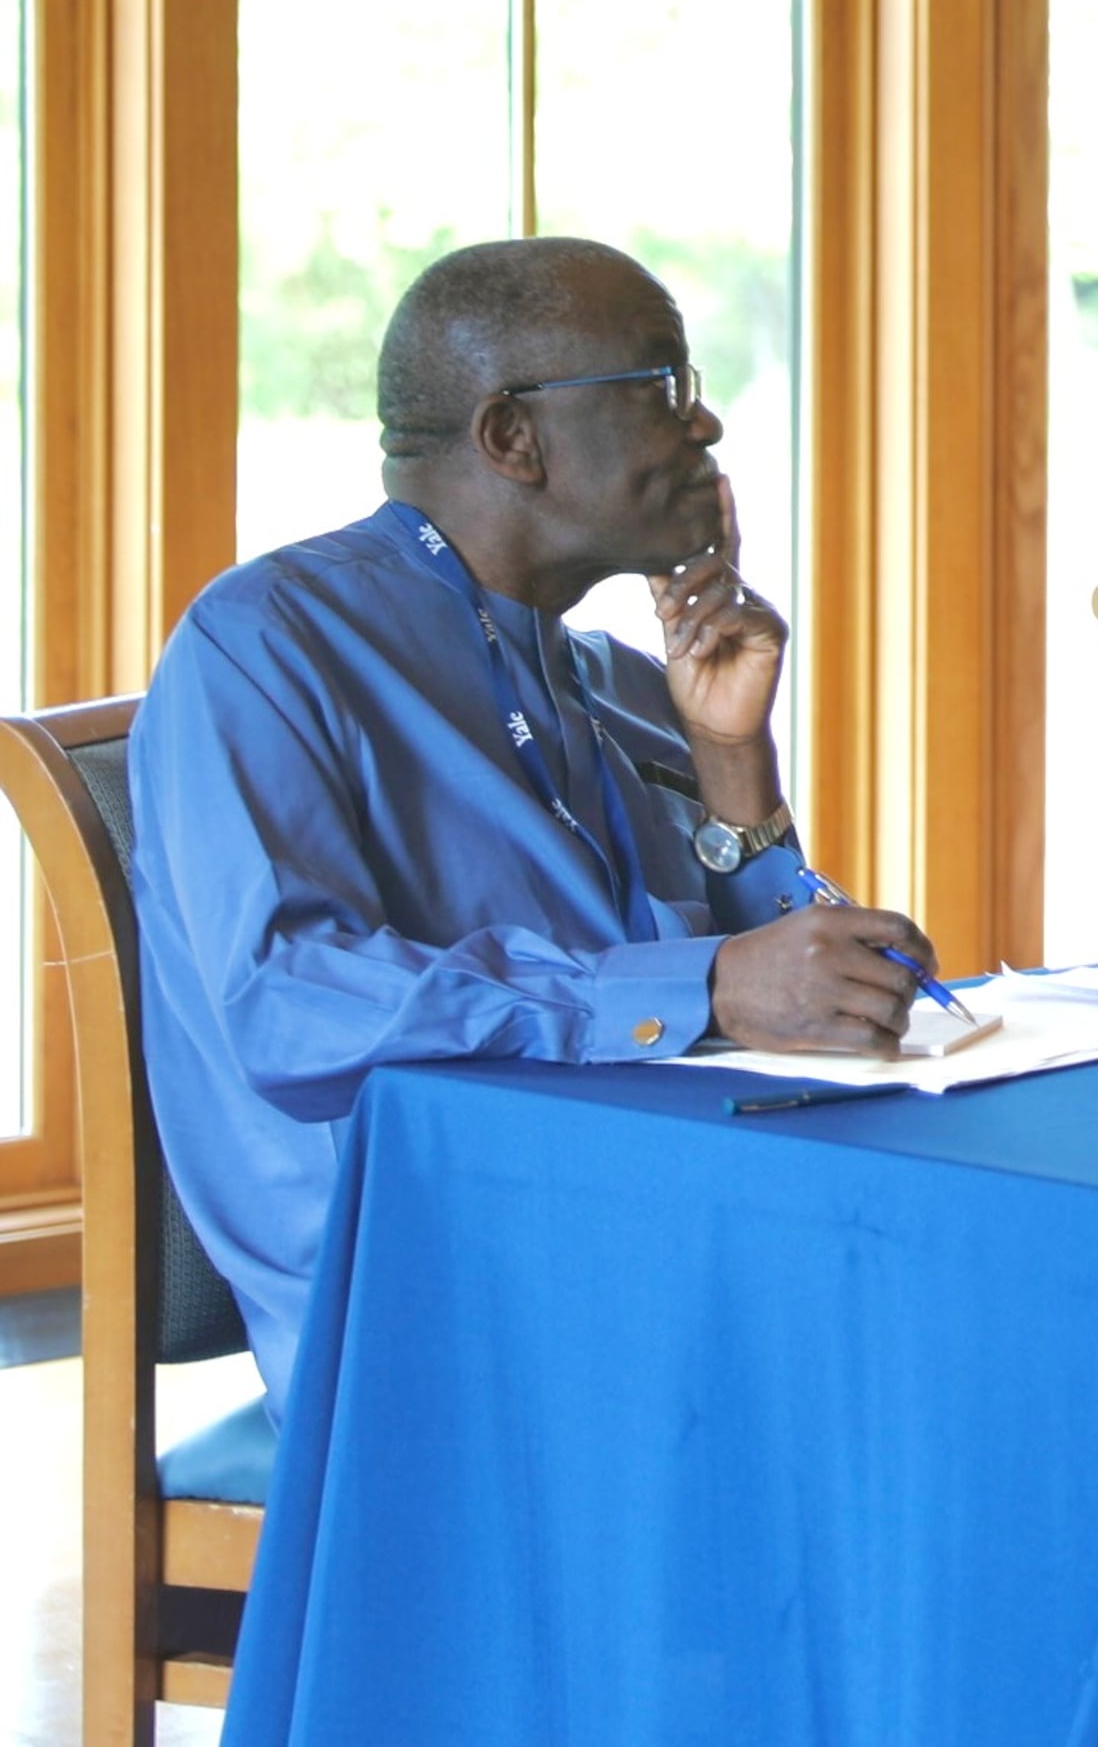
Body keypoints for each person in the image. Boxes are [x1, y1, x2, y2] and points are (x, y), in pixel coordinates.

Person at [132, 237, 940, 1410]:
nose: (704, 429)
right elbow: (291, 1004)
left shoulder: (613, 678)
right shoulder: (265, 642)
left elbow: (780, 989)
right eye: (666, 385)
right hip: (438, 1291)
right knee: (940, 1334)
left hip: (664, 1202)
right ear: (512, 437)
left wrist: (733, 768)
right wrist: (705, 988)